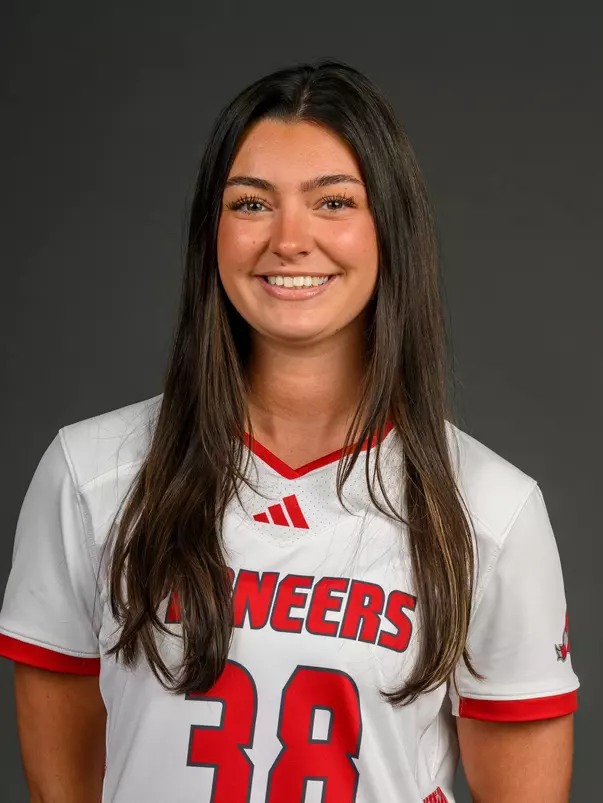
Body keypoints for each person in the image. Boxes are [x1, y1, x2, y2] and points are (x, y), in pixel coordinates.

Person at [0, 60, 579, 803]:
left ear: (389, 230)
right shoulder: (88, 474)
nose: (289, 239)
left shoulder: (488, 509)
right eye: (250, 205)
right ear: (212, 232)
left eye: (333, 201)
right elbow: (65, 784)